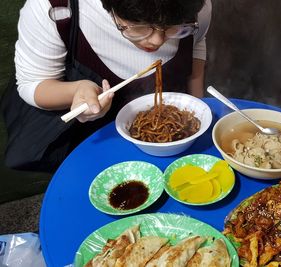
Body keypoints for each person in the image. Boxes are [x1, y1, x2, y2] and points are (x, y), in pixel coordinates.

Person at [1, 0, 211, 172]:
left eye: (172, 27)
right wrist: (76, 90)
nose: (157, 41)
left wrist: (199, 109)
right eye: (137, 25)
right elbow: (32, 83)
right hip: (92, 146)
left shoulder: (196, 9)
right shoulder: (55, 9)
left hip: (175, 145)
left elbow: (197, 44)